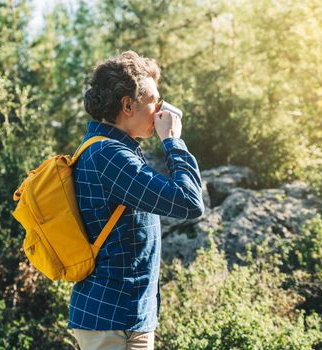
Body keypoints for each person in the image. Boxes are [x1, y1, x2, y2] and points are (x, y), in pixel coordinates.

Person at [68, 50, 205, 350]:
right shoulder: (110, 156)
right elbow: (189, 200)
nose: (160, 109)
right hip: (113, 320)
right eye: (154, 101)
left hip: (124, 317)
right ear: (127, 105)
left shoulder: (115, 151)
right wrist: (172, 140)